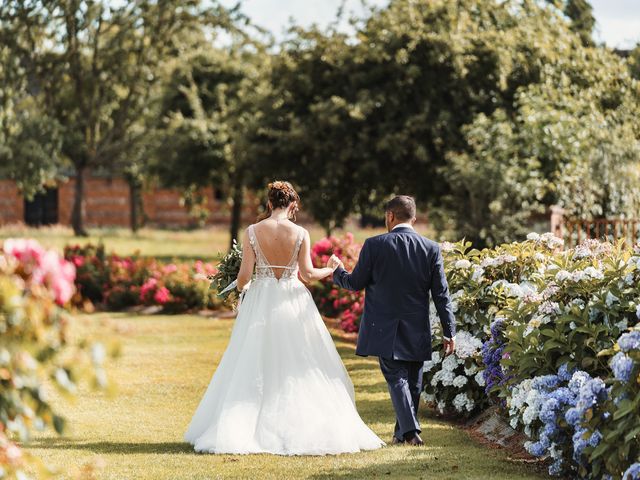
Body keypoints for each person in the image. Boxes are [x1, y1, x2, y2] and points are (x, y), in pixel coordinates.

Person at [184, 181, 384, 455]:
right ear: (292, 205)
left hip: (262, 300)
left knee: (253, 359)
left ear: (269, 204)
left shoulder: (253, 231)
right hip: (293, 299)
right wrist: (330, 269)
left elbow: (244, 277)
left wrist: (243, 290)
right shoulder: (300, 233)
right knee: (300, 361)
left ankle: (243, 426)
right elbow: (308, 274)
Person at [330, 195, 456, 446]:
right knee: (413, 380)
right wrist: (449, 330)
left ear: (390, 216)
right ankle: (403, 433)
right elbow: (441, 294)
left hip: (383, 326)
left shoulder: (374, 245)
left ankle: (409, 432)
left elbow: (355, 283)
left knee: (398, 378)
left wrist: (338, 271)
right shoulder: (431, 248)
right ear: (414, 218)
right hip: (416, 325)